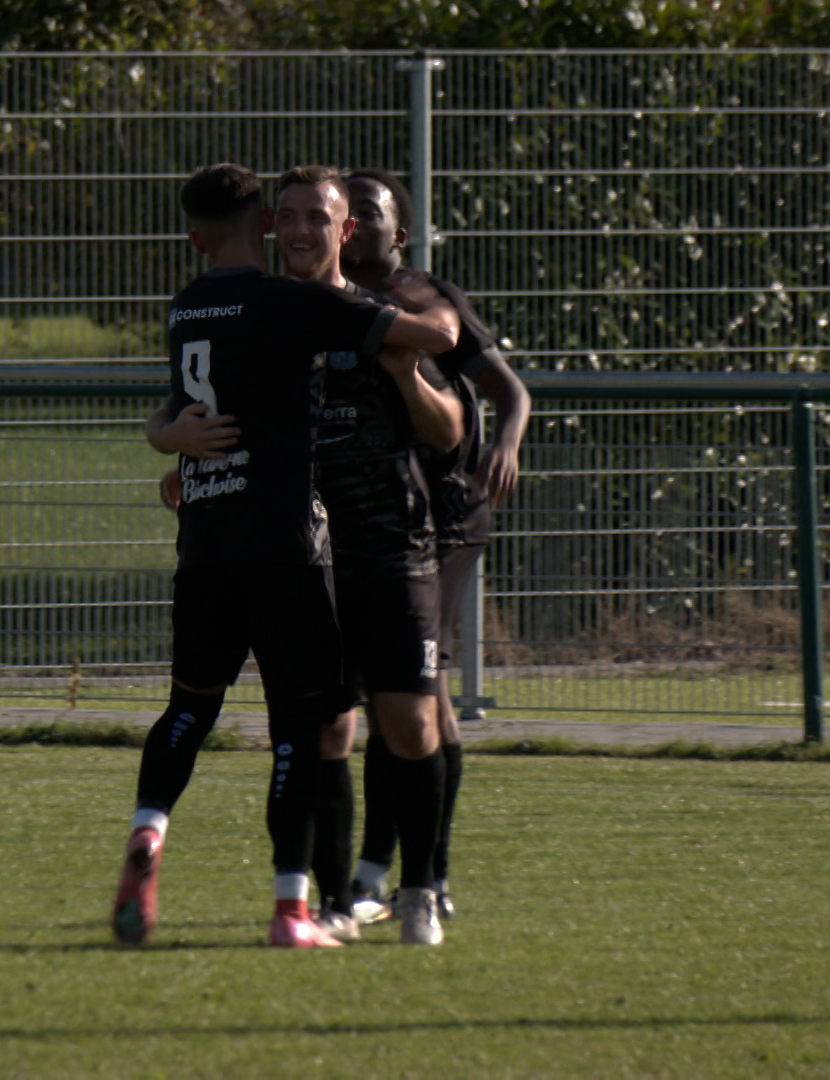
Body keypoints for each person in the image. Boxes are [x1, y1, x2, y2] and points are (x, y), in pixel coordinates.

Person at [112, 163, 460, 950]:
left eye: (320, 218)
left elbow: (447, 428)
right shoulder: (280, 311)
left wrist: (409, 369)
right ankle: (324, 902)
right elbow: (181, 408)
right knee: (318, 731)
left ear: (347, 231)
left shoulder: (364, 312)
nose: (302, 230)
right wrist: (171, 441)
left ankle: (420, 886)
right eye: (291, 216)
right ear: (271, 224)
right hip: (300, 554)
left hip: (381, 548)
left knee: (405, 723)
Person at [337, 168, 530, 931]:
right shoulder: (325, 301)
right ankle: (411, 876)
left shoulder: (426, 302)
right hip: (371, 520)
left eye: (368, 215)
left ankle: (395, 874)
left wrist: (508, 443)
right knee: (410, 708)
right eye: (343, 212)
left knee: (410, 703)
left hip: (443, 517)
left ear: (400, 234)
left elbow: (509, 390)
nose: (353, 224)